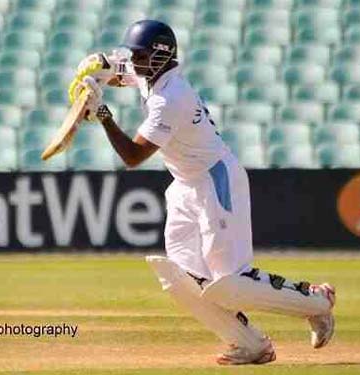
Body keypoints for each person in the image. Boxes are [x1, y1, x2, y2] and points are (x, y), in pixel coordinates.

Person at [68, 20, 336, 365]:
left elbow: (133, 157)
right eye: (133, 56)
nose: (134, 63)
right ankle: (251, 345)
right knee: (180, 277)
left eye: (141, 56)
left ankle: (316, 301)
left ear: (161, 57)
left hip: (215, 181)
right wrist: (93, 73)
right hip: (184, 186)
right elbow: (116, 72)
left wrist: (102, 114)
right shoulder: (150, 73)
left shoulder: (170, 98)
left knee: (230, 282)